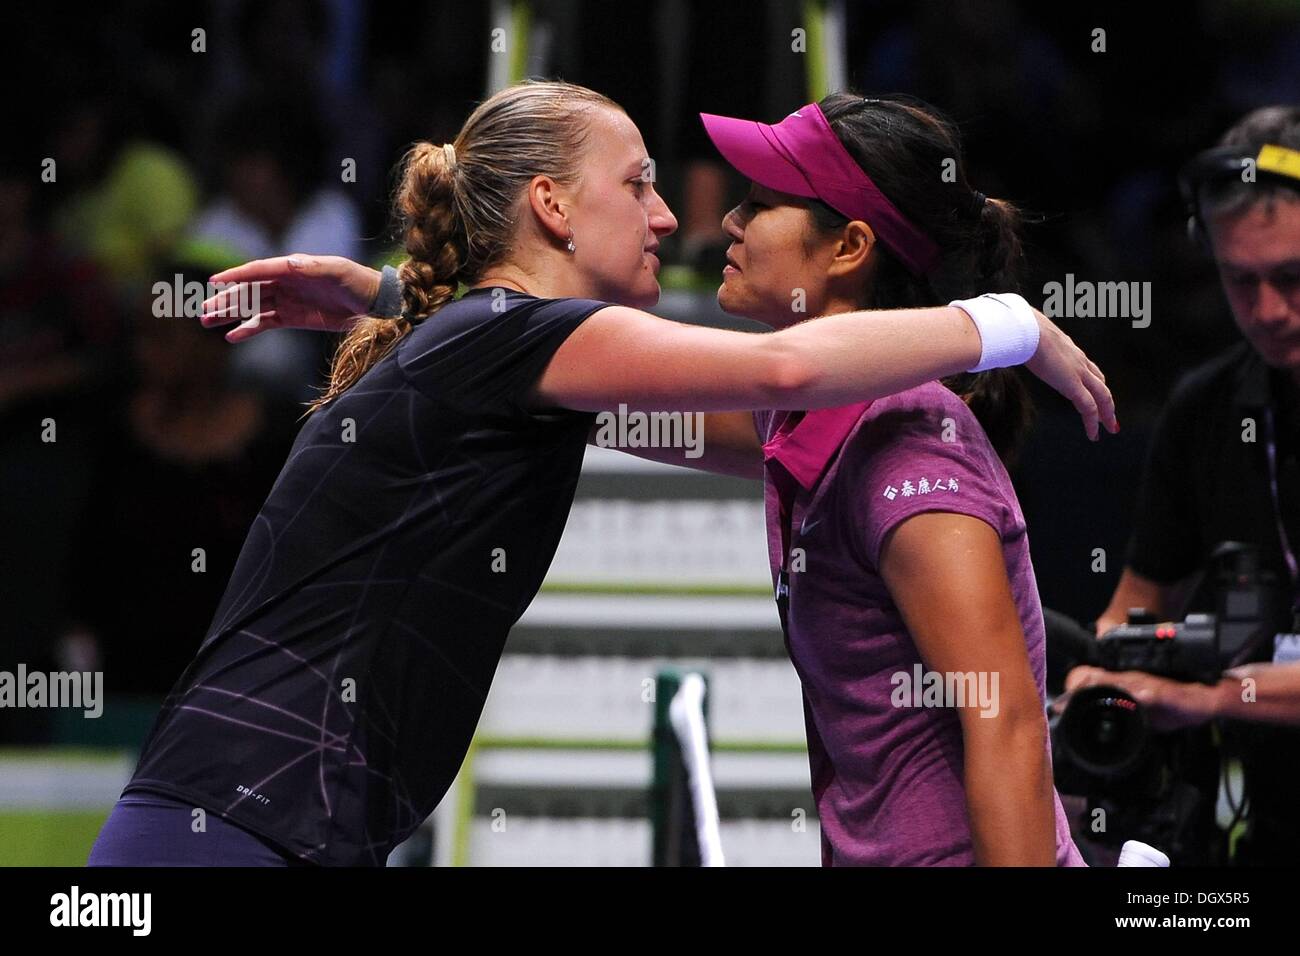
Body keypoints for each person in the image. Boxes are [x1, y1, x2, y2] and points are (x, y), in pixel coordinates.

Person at [89, 80, 1112, 867]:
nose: (678, 218)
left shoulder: (495, 352)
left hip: (275, 820)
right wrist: (1006, 326)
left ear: (848, 245)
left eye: (756, 198)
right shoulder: (503, 340)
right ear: (550, 205)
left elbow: (775, 405)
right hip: (233, 821)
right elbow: (780, 368)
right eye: (639, 185)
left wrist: (394, 295)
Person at [1072, 106, 1300, 866]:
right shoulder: (1206, 411)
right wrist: (1101, 675)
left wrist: (1209, 696)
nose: (1268, 311)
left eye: (1294, 279)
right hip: (1252, 821)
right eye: (1242, 281)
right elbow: (1138, 603)